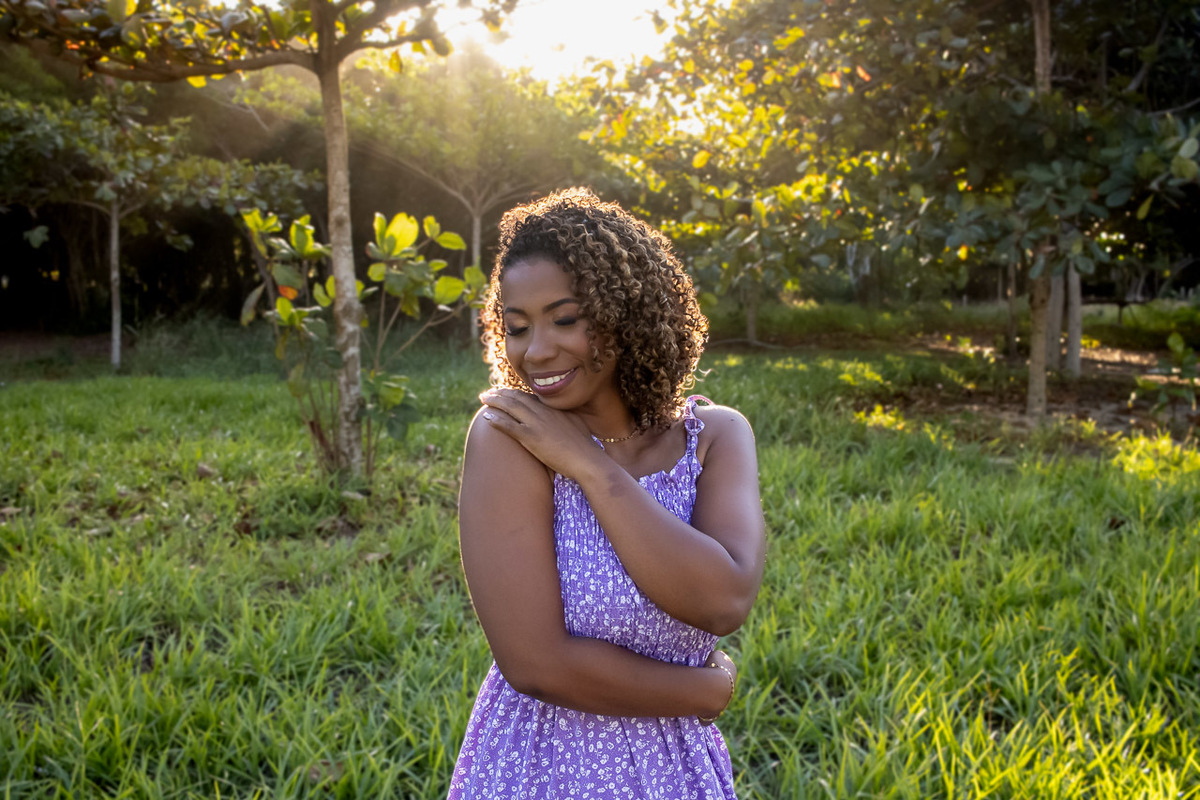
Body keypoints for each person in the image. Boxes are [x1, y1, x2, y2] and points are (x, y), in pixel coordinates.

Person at [448, 187, 766, 799]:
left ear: (626, 312)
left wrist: (591, 469)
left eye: (565, 319)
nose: (537, 351)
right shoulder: (508, 439)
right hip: (543, 768)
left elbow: (723, 600)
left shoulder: (716, 436)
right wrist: (706, 690)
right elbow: (536, 665)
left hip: (675, 770)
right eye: (517, 327)